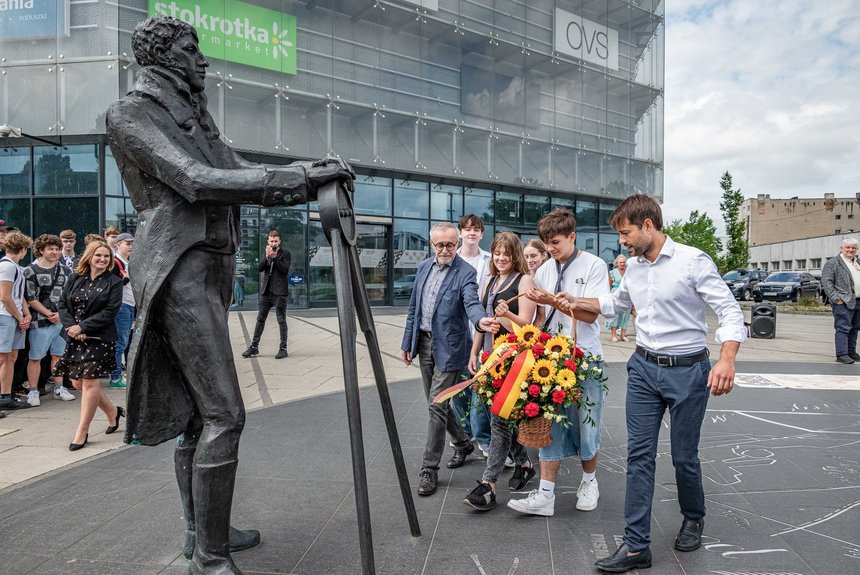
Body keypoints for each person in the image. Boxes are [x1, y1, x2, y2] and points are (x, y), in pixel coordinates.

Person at [105, 15, 353, 574]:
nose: (203, 60)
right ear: (164, 56)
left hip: (210, 269)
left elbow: (235, 169)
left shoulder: (193, 115)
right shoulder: (133, 112)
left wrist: (306, 172)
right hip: (178, 270)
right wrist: (301, 178)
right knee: (225, 414)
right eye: (192, 50)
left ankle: (203, 534)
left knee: (201, 414)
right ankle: (210, 561)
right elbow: (193, 179)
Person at [560, 194, 745, 573]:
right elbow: (615, 304)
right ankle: (635, 546)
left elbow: (729, 310)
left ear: (648, 225)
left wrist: (726, 359)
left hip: (689, 371)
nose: (622, 242)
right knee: (638, 457)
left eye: (626, 233)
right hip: (644, 367)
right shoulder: (634, 269)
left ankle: (693, 516)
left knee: (683, 457)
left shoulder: (692, 261)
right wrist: (571, 301)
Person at [503, 208, 609, 518]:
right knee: (548, 426)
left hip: (585, 358)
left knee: (588, 425)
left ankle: (589, 482)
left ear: (572, 236)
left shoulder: (594, 266)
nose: (551, 248)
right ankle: (546, 494)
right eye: (547, 243)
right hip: (551, 360)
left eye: (557, 242)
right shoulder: (546, 269)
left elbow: (592, 314)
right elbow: (536, 319)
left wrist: (554, 301)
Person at [400, 222, 497, 497]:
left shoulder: (465, 272)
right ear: (431, 244)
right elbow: (413, 309)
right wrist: (407, 343)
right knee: (438, 405)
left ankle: (429, 469)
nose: (445, 249)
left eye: (450, 244)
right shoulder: (423, 268)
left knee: (436, 405)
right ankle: (464, 441)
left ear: (456, 244)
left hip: (451, 348)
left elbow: (471, 302)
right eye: (440, 244)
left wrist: (481, 320)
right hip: (424, 343)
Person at [463, 232, 536, 511]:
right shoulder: (489, 281)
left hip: (514, 361)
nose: (501, 258)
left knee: (498, 420)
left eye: (506, 253)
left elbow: (527, 326)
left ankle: (489, 484)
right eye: (497, 253)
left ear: (515, 254)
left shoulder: (525, 281)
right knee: (502, 418)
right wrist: (474, 354)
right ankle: (524, 463)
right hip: (490, 359)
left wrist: (507, 315)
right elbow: (484, 323)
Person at [55, 241, 125, 451]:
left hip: (100, 339)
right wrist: (71, 327)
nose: (102, 259)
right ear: (89, 257)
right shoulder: (75, 278)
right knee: (77, 383)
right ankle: (112, 411)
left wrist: (83, 326)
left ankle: (82, 431)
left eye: (106, 256)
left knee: (90, 384)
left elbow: (110, 311)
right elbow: (62, 304)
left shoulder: (114, 282)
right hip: (75, 338)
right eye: (98, 256)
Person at [452, 214, 493, 456]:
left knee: (481, 386)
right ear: (460, 233)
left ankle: (483, 436)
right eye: (467, 229)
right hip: (459, 330)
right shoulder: (452, 258)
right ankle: (464, 433)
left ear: (481, 233)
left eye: (476, 229)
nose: (471, 233)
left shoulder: (489, 260)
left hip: (484, 330)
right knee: (459, 387)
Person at [23, 234, 75, 405]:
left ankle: (59, 388)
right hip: (39, 321)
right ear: (40, 250)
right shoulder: (30, 271)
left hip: (61, 321)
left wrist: (60, 314)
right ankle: (33, 391)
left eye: (57, 249)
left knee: (58, 355)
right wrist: (47, 313)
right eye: (50, 249)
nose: (55, 252)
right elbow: (30, 297)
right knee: (36, 357)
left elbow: (70, 296)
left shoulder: (67, 271)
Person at [242, 230, 291, 359]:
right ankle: (254, 347)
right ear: (268, 242)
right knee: (260, 319)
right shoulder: (267, 253)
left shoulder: (285, 254)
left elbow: (285, 270)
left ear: (279, 241)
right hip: (266, 292)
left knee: (281, 320)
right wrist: (267, 256)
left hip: (279, 293)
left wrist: (275, 258)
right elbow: (259, 268)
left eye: (275, 241)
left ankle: (283, 348)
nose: (273, 243)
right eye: (271, 241)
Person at [0, 231, 33, 413]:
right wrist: (20, 317)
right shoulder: (8, 267)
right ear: (23, 249)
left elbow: (18, 296)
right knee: (2, 357)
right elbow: (5, 297)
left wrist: (25, 314)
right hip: (5, 316)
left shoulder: (16, 267)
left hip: (14, 316)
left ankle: (5, 396)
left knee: (11, 358)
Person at [820, 237, 860, 364]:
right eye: (848, 247)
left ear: (857, 249)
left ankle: (851, 352)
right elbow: (826, 282)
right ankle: (842, 354)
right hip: (843, 302)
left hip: (857, 301)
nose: (850, 250)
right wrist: (836, 299)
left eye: (853, 248)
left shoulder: (857, 262)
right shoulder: (833, 263)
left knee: (854, 328)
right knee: (843, 328)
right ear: (842, 248)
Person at [109, 233, 135, 387]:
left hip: (130, 305)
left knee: (124, 342)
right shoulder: (115, 263)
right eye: (127, 243)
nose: (131, 247)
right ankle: (115, 377)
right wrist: (124, 279)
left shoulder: (127, 262)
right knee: (120, 343)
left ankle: (118, 375)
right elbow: (112, 286)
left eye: (132, 244)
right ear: (118, 244)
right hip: (122, 306)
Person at [606, 254, 632, 342]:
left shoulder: (629, 272)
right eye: (620, 262)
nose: (622, 264)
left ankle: (623, 335)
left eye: (624, 262)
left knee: (626, 316)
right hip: (615, 294)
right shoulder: (612, 272)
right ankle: (613, 335)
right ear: (617, 263)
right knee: (615, 315)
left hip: (626, 295)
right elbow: (608, 286)